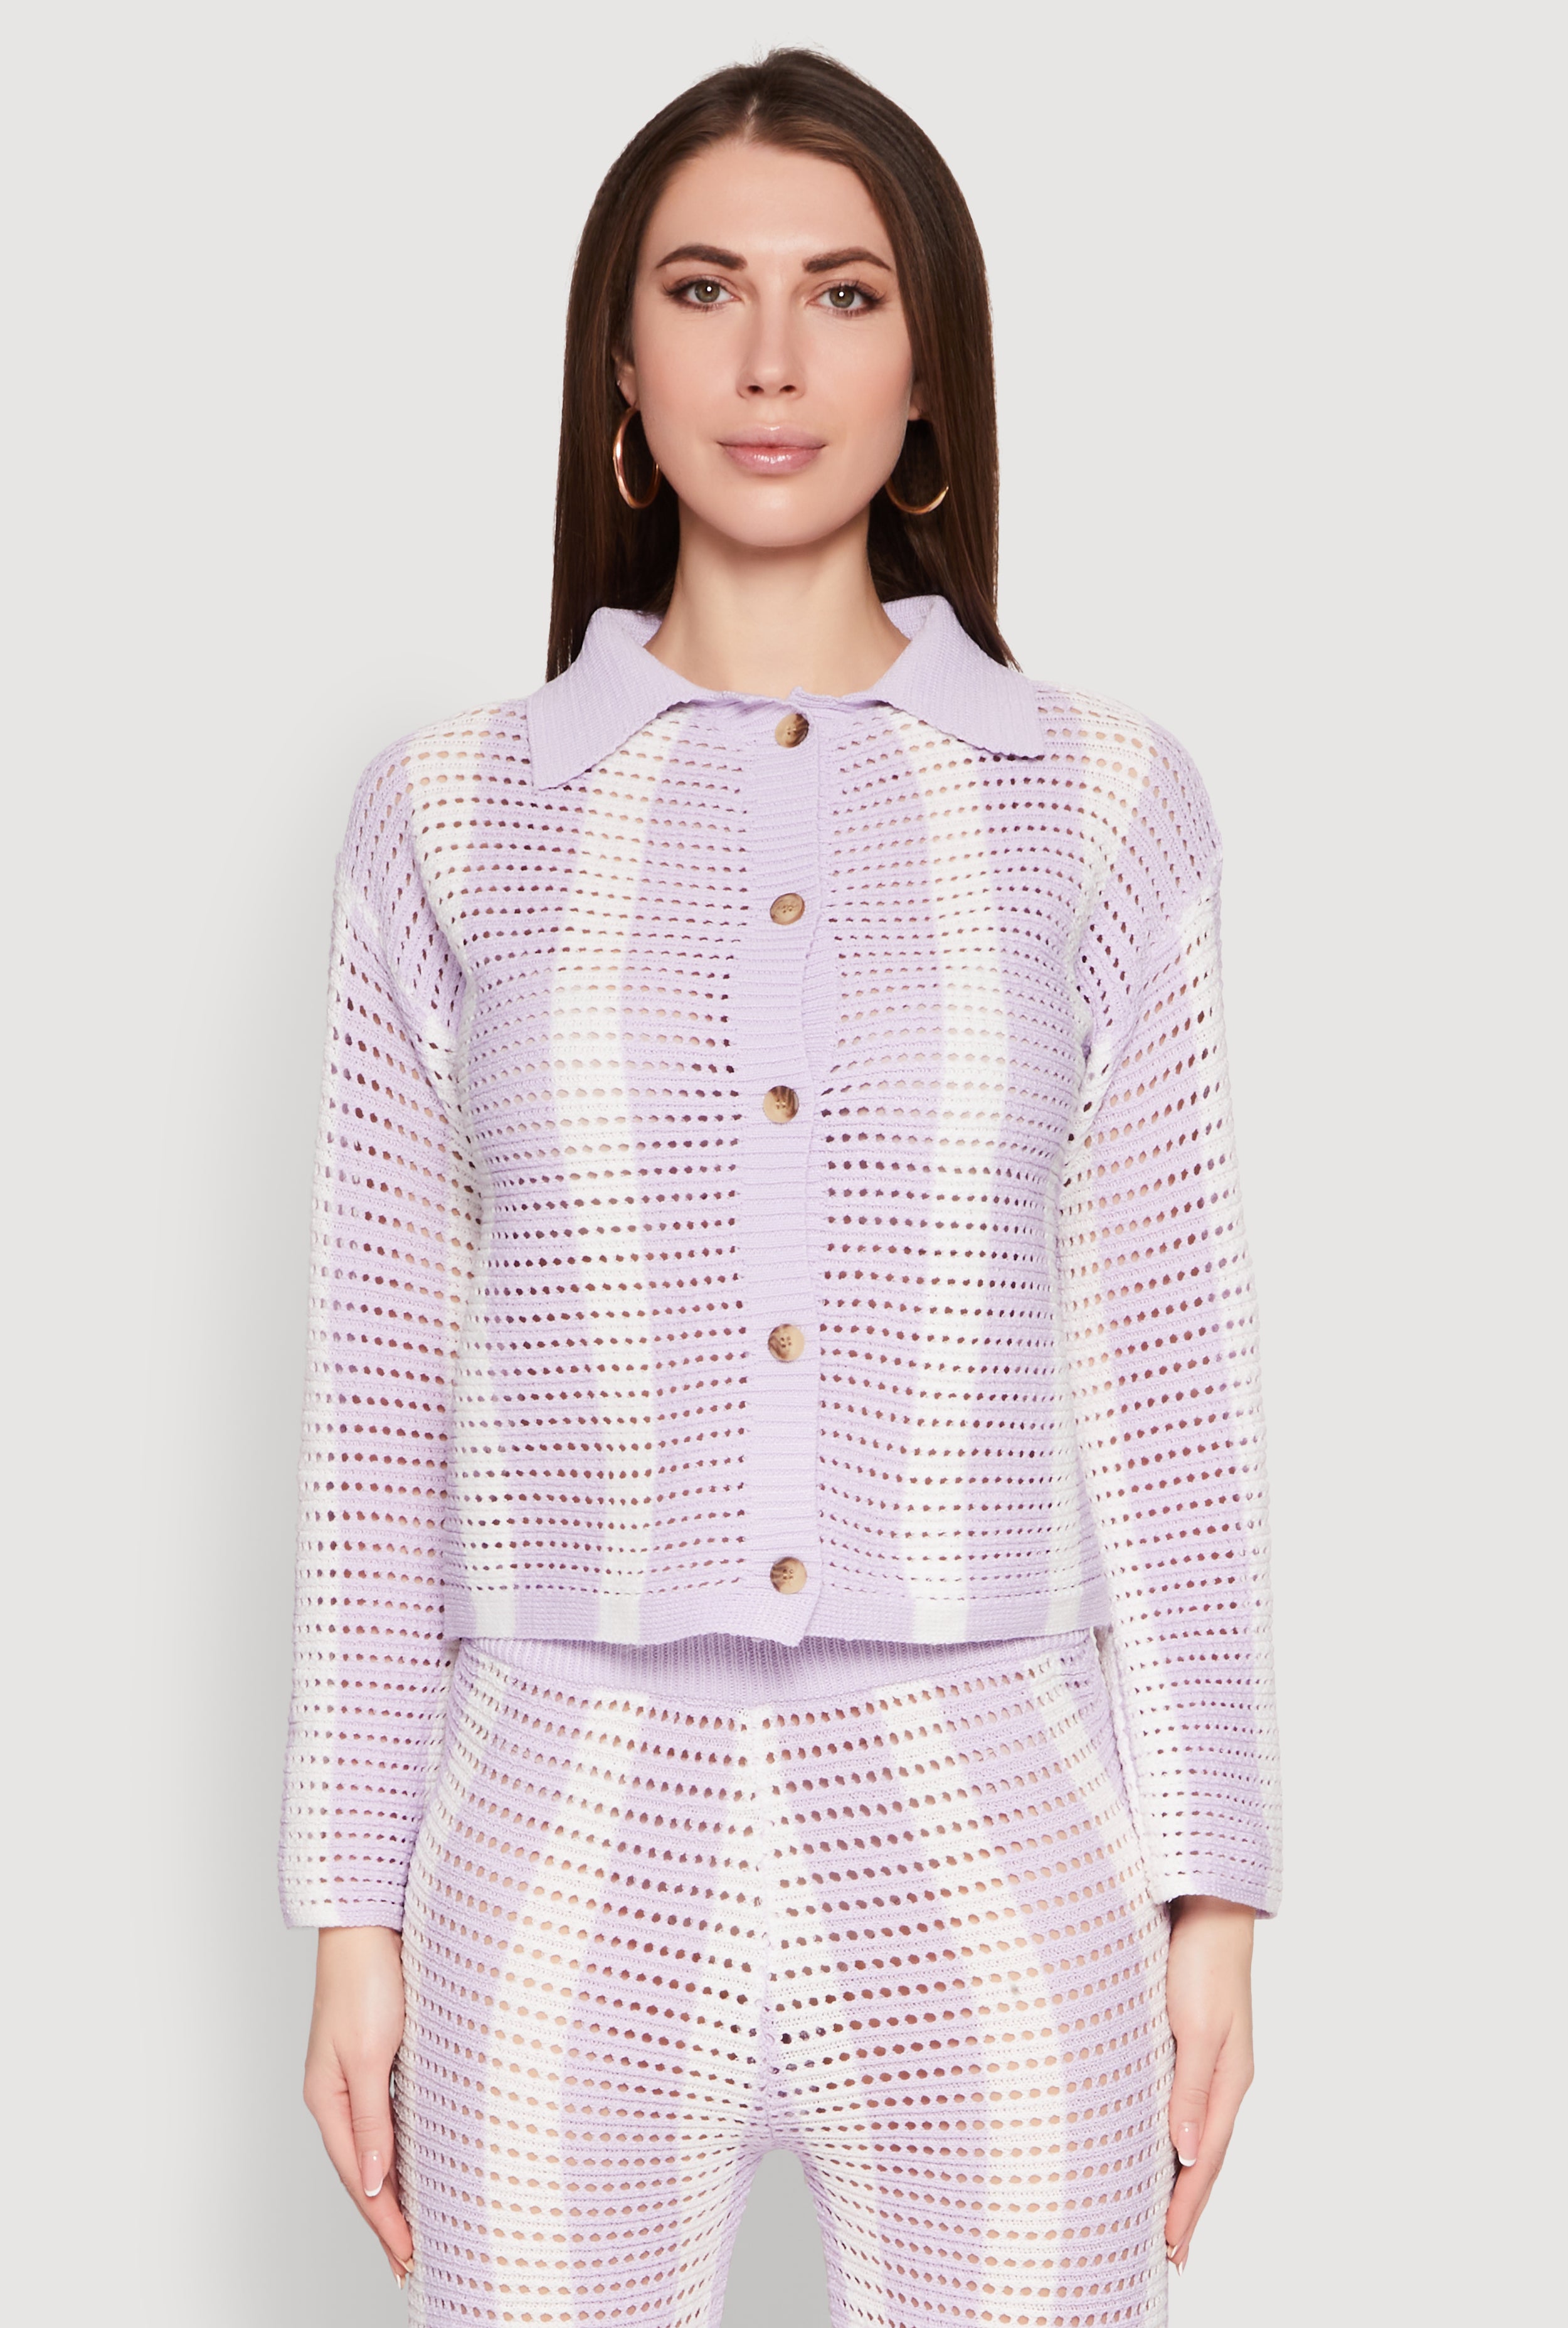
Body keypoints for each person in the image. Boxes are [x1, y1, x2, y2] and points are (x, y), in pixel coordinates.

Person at [278, 47, 1282, 2325]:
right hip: (557, 1833)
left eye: (842, 294)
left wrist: (1215, 1889)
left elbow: (1170, 1373)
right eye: (702, 288)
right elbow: (372, 1396)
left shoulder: (1098, 801)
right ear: (619, 376)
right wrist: (351, 1909)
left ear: (926, 376)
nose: (769, 358)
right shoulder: (449, 815)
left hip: (990, 1827)